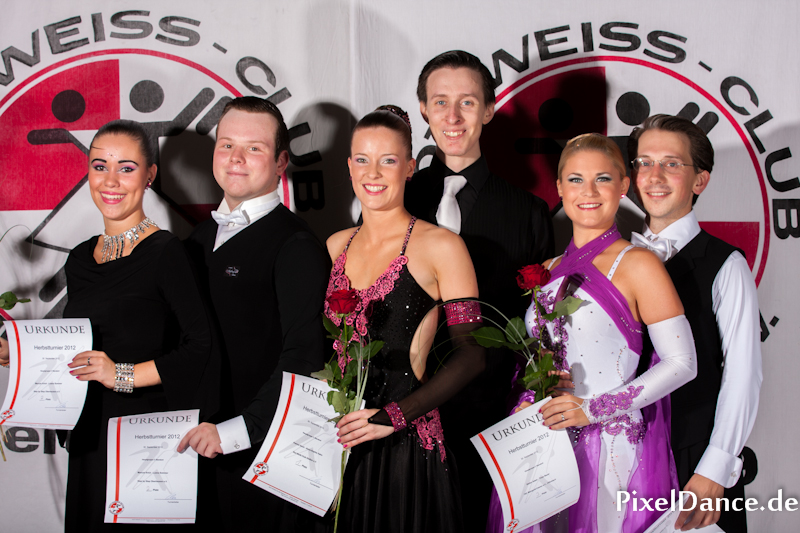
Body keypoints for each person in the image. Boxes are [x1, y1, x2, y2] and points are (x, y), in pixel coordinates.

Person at [489, 133, 698, 533]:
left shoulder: (639, 264)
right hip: (544, 446)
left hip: (610, 447)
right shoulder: (546, 269)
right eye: (575, 180)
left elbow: (683, 362)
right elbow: (538, 359)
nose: (588, 191)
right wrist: (527, 396)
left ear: (623, 185)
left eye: (602, 179)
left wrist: (593, 409)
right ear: (558, 188)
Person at [405, 50, 554, 530]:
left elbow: (543, 323)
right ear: (423, 109)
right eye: (440, 102)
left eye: (467, 102)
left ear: (489, 110)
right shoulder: (392, 200)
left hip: (491, 419)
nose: (453, 116)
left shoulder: (529, 212)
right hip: (401, 412)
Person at [329, 105, 486, 532]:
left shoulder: (441, 246)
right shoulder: (334, 246)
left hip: (405, 447)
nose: (373, 173)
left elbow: (472, 354)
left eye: (388, 160)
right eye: (363, 160)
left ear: (410, 167)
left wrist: (392, 417)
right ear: (349, 166)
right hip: (340, 444)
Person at [177, 97, 330, 532]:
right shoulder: (196, 239)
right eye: (226, 145)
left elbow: (305, 357)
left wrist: (237, 431)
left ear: (281, 161)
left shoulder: (296, 245)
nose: (236, 158)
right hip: (194, 451)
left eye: (254, 148)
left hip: (260, 456)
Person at [61, 119, 212, 531]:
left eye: (126, 168)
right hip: (89, 436)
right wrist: (19, 357)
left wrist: (120, 375)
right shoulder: (78, 260)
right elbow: (74, 346)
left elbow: (201, 346)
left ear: (149, 175)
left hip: (145, 439)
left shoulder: (167, 252)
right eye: (100, 166)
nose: (110, 181)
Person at [628, 115, 762, 532]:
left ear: (699, 180)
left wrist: (714, 469)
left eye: (671, 163)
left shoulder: (726, 263)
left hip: (692, 456)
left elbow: (744, 373)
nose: (654, 176)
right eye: (644, 162)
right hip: (621, 456)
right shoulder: (613, 258)